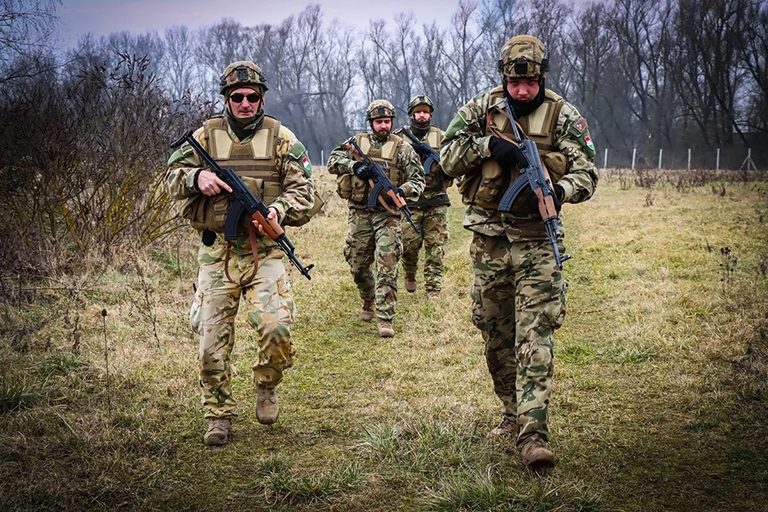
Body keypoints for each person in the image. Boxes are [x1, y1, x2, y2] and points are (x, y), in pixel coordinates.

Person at [440, 35, 598, 470]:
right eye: (514, 83)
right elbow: (445, 159)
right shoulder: (479, 109)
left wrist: (558, 190)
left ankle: (534, 434)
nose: (522, 91)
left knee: (535, 334)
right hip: (489, 241)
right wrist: (486, 146)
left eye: (530, 83)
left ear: (542, 77)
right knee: (495, 334)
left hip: (537, 242)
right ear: (504, 78)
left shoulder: (563, 114)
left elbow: (587, 170)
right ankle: (511, 413)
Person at [165, 60, 316, 446]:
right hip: (217, 255)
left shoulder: (281, 137)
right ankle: (218, 414)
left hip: (265, 252)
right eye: (237, 97)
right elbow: (170, 176)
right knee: (211, 342)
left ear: (261, 97)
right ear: (227, 99)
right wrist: (196, 177)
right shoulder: (204, 137)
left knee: (276, 327)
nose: (245, 103)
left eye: (252, 96)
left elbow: (306, 190)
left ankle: (266, 384)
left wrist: (278, 210)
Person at [327, 99, 425, 338]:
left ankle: (385, 317)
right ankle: (368, 298)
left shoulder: (403, 148)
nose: (383, 126)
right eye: (379, 122)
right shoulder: (356, 144)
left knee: (387, 265)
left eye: (387, 121)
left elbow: (418, 180)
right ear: (371, 123)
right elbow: (332, 162)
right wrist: (354, 167)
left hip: (388, 215)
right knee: (357, 264)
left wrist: (403, 191)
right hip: (359, 212)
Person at [397, 95, 453, 299]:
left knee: (436, 246)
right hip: (409, 200)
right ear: (412, 114)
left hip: (436, 198)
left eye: (426, 111)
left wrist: (442, 166)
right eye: (418, 111)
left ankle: (433, 288)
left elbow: (454, 162)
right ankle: (410, 272)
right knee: (409, 245)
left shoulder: (442, 137)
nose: (422, 115)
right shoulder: (399, 138)